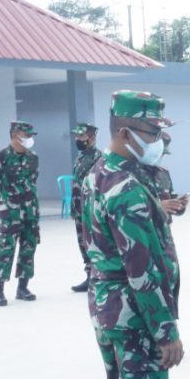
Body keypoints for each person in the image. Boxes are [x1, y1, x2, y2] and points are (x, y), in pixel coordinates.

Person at [82, 90, 187, 379]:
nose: (160, 138)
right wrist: (166, 331)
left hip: (108, 303)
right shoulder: (126, 186)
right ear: (125, 132)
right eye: (152, 131)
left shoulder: (101, 172)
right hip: (133, 308)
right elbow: (141, 268)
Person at [0, 121, 41, 306]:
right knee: (6, 249)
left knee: (29, 248)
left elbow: (33, 181)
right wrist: (3, 203)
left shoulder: (33, 158)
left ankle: (23, 287)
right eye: (26, 135)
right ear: (15, 136)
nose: (29, 139)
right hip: (10, 213)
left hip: (30, 211)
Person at [70, 122, 102, 293]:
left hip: (91, 210)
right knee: (82, 243)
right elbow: (76, 184)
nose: (78, 139)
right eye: (77, 136)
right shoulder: (81, 158)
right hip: (79, 209)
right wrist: (73, 208)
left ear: (91, 137)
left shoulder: (99, 158)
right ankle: (89, 276)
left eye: (81, 136)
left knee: (93, 243)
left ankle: (98, 277)